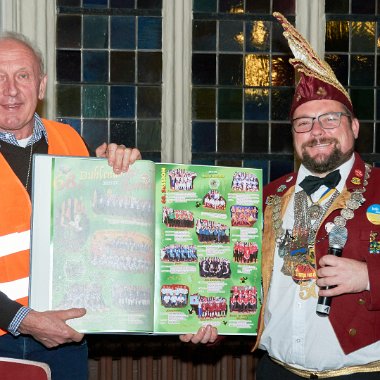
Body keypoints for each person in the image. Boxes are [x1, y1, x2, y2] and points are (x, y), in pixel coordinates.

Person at [180, 12, 380, 379]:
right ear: (293, 134)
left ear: (354, 126)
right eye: (304, 123)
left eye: (330, 119)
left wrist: (370, 277)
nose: (317, 131)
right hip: (277, 371)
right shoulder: (263, 196)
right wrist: (212, 319)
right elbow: (237, 280)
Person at [0, 31, 141, 379]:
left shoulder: (70, 140)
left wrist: (121, 174)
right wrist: (24, 320)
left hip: (66, 337)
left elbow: (94, 229)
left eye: (23, 75)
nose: (10, 89)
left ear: (42, 85)